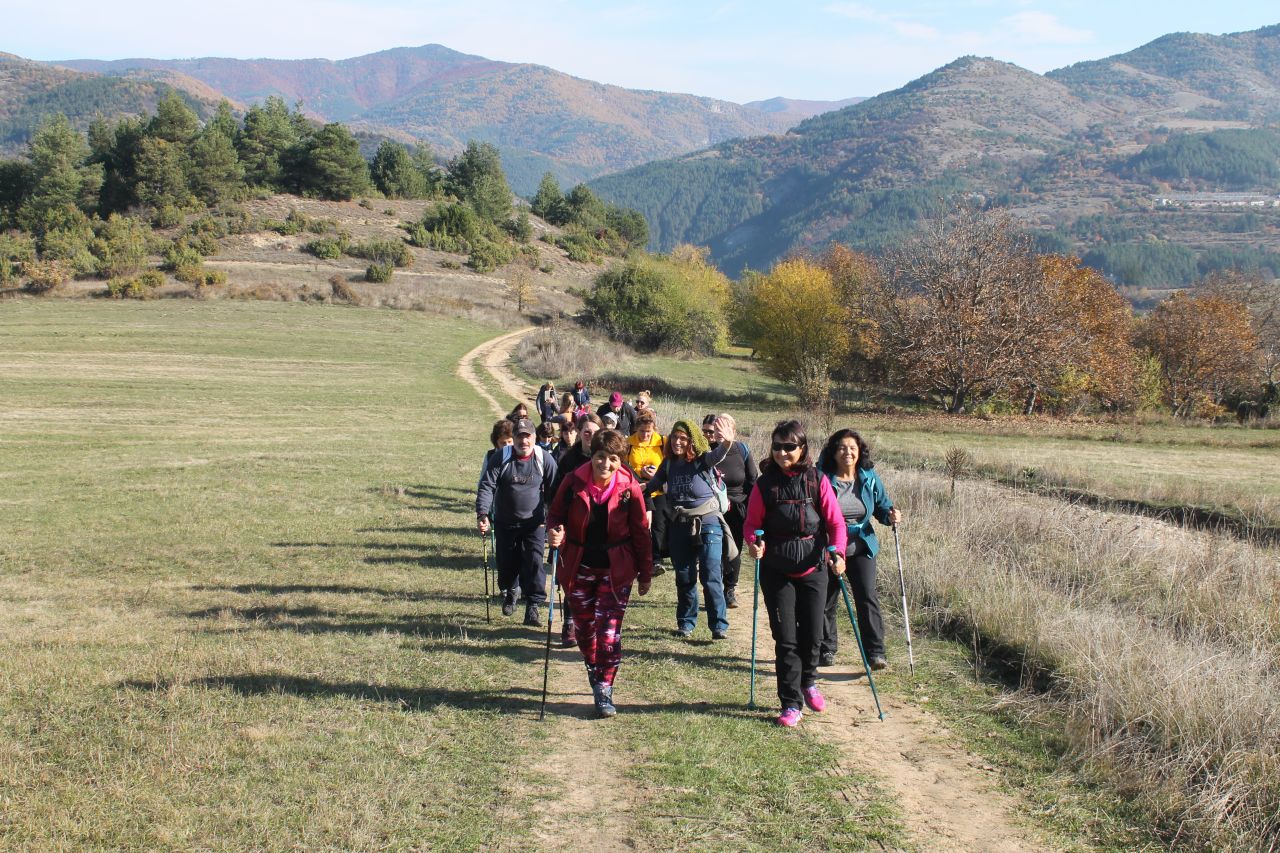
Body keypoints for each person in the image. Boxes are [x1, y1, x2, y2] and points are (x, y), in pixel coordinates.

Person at [744, 420, 847, 728]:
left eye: (789, 446)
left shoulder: (817, 480)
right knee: (786, 639)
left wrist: (839, 553)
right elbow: (751, 524)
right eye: (777, 446)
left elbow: (836, 523)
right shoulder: (765, 484)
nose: (782, 452)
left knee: (813, 634)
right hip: (777, 571)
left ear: (802, 448)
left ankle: (808, 681)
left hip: (814, 567)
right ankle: (790, 702)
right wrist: (753, 544)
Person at [546, 429, 653, 717]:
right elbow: (555, 515)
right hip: (578, 565)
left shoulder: (630, 488)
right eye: (601, 457)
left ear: (621, 461)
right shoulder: (573, 481)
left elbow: (641, 532)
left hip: (616, 569)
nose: (606, 464)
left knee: (608, 631)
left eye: (613, 459)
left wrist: (645, 573)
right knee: (584, 629)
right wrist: (554, 532)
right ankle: (593, 665)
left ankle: (604, 688)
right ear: (592, 456)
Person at [815, 429, 901, 670]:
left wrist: (890, 516)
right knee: (826, 599)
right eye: (842, 447)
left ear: (860, 451)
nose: (848, 452)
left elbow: (882, 507)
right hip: (830, 547)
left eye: (852, 448)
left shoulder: (868, 477)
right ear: (833, 452)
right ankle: (826, 648)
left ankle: (875, 653)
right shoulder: (822, 478)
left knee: (867, 596)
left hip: (862, 546)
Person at [647, 416, 738, 639]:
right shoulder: (668, 464)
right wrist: (629, 491)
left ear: (691, 441)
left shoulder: (702, 460)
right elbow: (651, 486)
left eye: (683, 438)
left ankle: (719, 625)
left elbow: (719, 454)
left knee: (710, 574)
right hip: (679, 525)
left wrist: (727, 442)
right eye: (674, 437)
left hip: (708, 524)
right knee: (684, 576)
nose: (677, 442)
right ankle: (686, 623)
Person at [476, 418, 559, 627]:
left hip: (534, 523)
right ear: (513, 438)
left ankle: (533, 606)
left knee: (534, 563)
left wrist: (556, 519)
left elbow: (556, 490)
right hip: (505, 522)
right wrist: (483, 513)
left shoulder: (544, 458)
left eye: (528, 437)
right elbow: (487, 486)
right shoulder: (501, 457)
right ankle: (511, 590)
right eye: (520, 437)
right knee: (506, 564)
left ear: (534, 438)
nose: (524, 441)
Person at [702, 413, 757, 608]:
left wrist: (750, 509)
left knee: (733, 552)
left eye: (723, 428)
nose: (718, 432)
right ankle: (714, 592)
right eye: (716, 428)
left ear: (733, 431)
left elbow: (752, 480)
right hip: (712, 509)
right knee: (713, 552)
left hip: (737, 510)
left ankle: (730, 590)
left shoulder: (742, 450)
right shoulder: (707, 452)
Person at [627, 411, 667, 576]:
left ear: (654, 429)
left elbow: (668, 465)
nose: (645, 435)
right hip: (637, 490)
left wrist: (655, 475)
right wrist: (639, 472)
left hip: (658, 491)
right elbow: (625, 466)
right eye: (642, 431)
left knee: (658, 526)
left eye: (648, 432)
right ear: (636, 429)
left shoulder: (662, 442)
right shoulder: (629, 443)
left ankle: (656, 560)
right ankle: (637, 559)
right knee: (640, 526)